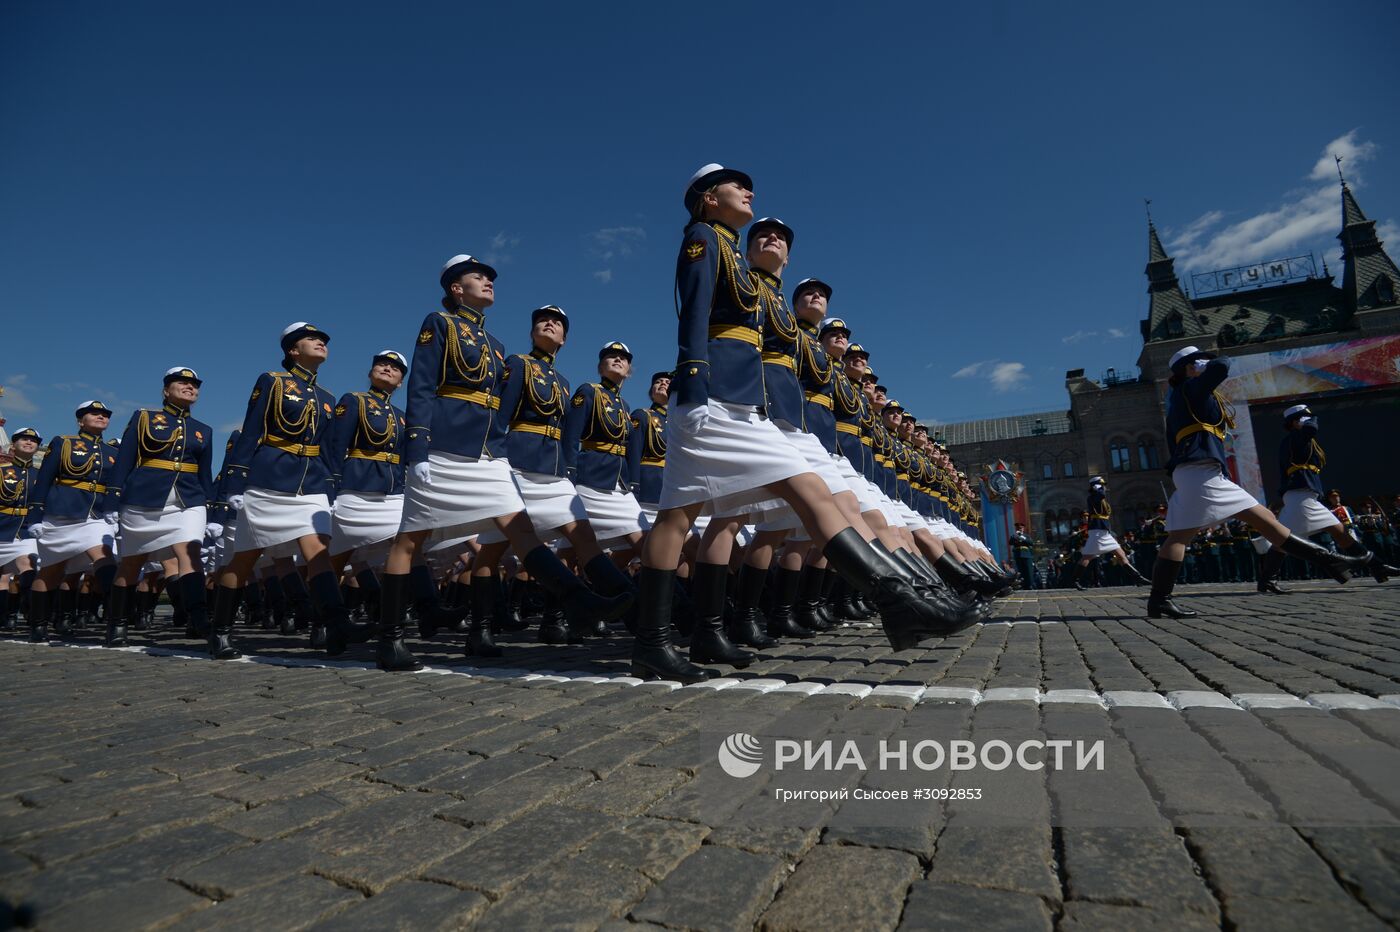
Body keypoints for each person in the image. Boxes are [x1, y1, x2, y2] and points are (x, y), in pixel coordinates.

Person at [633, 164, 966, 683]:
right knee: (798, 492)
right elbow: (693, 311)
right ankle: (898, 601)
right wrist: (694, 379)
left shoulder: (735, 257)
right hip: (712, 398)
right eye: (734, 185)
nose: (747, 190)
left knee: (680, 517)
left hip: (738, 403)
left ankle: (687, 635)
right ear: (706, 199)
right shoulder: (704, 238)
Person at [373, 256, 631, 672]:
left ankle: (576, 601)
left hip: (487, 455)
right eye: (479, 277)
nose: (488, 282)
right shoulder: (438, 323)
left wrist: (499, 451)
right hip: (443, 446)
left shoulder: (494, 345)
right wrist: (417, 448)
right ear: (457, 288)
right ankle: (391, 639)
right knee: (409, 541)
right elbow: (421, 385)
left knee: (521, 530)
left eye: (490, 278)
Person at [1145, 347, 1370, 618]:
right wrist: (1207, 366)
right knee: (1252, 525)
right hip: (1200, 471)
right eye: (1197, 361)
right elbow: (1223, 365)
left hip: (1198, 471)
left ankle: (1159, 600)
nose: (1204, 363)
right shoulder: (1191, 388)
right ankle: (1331, 561)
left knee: (1254, 522)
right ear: (1190, 367)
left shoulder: (1185, 395)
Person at [215, 322, 369, 660]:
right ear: (292, 350)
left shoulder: (327, 398)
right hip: (271, 479)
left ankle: (334, 625)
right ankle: (221, 630)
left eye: (324, 340)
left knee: (317, 553)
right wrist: (235, 481)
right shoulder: (272, 382)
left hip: (311, 482)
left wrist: (332, 487)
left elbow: (329, 449)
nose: (320, 343)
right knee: (244, 559)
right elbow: (252, 430)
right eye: (312, 339)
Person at [104, 368, 216, 647]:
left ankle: (199, 619)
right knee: (132, 563)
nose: (190, 387)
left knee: (190, 555)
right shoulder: (144, 418)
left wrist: (212, 509)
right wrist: (112, 501)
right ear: (166, 390)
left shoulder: (204, 430)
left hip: (188, 500)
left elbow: (205, 474)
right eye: (183, 383)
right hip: (144, 499)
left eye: (194, 385)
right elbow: (126, 459)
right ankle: (117, 623)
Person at [1258, 405, 1396, 593]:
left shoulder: (1301, 439)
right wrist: (1311, 417)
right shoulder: (1294, 438)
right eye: (1302, 418)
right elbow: (1312, 428)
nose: (1307, 420)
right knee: (1283, 541)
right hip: (1301, 496)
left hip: (1306, 496)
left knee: (1340, 532)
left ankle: (1377, 567)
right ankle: (1267, 579)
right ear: (1294, 422)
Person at [326, 350, 411, 630]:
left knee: (407, 546)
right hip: (355, 485)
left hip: (390, 491)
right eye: (382, 364)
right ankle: (324, 621)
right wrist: (331, 488)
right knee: (339, 555)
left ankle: (398, 613)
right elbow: (336, 447)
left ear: (400, 382)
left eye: (395, 368)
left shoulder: (401, 417)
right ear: (370, 372)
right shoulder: (354, 401)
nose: (387, 368)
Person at [25, 401, 120, 642]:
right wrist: (35, 516)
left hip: (96, 516)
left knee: (105, 558)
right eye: (94, 413)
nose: (101, 416)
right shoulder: (63, 442)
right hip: (62, 515)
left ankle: (117, 618)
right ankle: (38, 624)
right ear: (80, 421)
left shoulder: (113, 454)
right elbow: (44, 480)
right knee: (52, 572)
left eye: (105, 415)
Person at [1070, 476, 1148, 588]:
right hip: (1097, 530)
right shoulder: (1093, 497)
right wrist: (1098, 488)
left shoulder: (1100, 497)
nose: (1104, 487)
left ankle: (1138, 578)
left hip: (1104, 531)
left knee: (1121, 555)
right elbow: (1101, 494)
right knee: (1087, 557)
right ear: (1096, 486)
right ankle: (1075, 580)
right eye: (1102, 485)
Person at [0, 428, 43, 631]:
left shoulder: (41, 475)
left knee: (28, 565)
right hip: (2, 526)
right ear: (13, 445)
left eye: (33, 440)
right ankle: (6, 615)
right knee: (2, 576)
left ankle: (31, 610)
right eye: (24, 439)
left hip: (25, 529)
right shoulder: (2, 470)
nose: (29, 442)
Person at [1009, 523, 1037, 589]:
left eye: (1021, 528)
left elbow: (1031, 543)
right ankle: (1022, 585)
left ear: (1023, 529)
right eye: (1018, 528)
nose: (1020, 529)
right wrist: (1016, 536)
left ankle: (1030, 585)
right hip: (1018, 555)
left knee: (1028, 571)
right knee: (1020, 571)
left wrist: (1022, 537)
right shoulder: (1014, 536)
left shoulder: (1026, 536)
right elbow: (1010, 542)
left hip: (1026, 555)